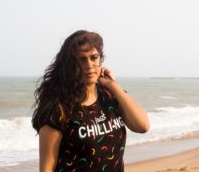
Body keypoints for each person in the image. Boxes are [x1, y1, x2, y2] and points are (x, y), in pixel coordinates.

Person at [31, 30, 150, 172]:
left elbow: (142, 126)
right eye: (82, 59)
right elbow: (46, 168)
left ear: (100, 59)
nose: (89, 65)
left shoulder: (109, 94)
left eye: (94, 57)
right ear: (70, 65)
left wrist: (113, 86)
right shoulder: (58, 109)